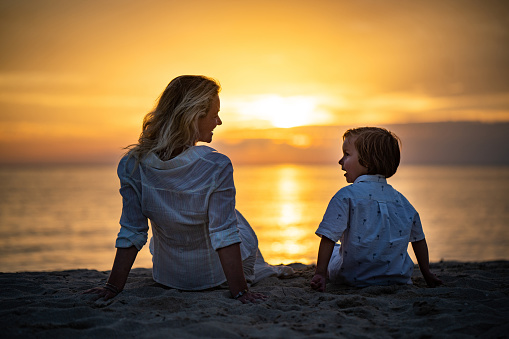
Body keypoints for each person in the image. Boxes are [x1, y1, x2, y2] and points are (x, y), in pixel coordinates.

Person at [84, 75, 292, 303]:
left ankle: (265, 268)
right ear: (194, 116)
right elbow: (224, 233)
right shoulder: (216, 165)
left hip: (167, 277)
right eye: (214, 115)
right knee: (233, 219)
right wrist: (241, 292)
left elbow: (132, 230)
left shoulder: (132, 164)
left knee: (225, 218)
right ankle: (266, 269)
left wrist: (113, 287)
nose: (219, 122)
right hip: (216, 278)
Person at [310, 127, 442, 292]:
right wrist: (426, 273)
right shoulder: (402, 201)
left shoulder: (345, 196)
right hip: (398, 276)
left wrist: (320, 273)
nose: (340, 161)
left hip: (354, 276)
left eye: (347, 154)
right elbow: (418, 239)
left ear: (366, 161)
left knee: (336, 249)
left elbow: (328, 236)